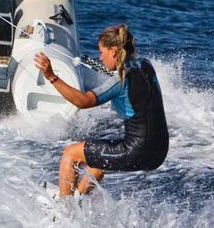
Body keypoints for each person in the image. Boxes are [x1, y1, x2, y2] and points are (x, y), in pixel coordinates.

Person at [34, 24, 169, 197]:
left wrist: (51, 76)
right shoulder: (146, 66)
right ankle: (77, 200)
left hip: (137, 151)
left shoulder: (119, 80)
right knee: (97, 162)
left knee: (71, 153)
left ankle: (64, 212)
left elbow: (83, 101)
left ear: (113, 51)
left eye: (102, 52)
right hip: (158, 152)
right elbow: (128, 75)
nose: (100, 57)